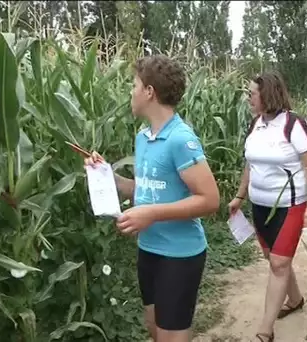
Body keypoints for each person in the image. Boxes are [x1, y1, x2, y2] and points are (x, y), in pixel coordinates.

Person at [84, 55, 220, 342]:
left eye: (134, 85)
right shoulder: (143, 137)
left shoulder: (180, 139)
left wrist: (151, 214)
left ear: (149, 92)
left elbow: (210, 200)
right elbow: (144, 189)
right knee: (155, 329)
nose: (130, 93)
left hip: (180, 254)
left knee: (172, 336)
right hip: (150, 249)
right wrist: (105, 174)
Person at [228, 71, 307, 342]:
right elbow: (250, 163)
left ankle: (264, 331)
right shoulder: (255, 124)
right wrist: (240, 196)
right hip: (259, 205)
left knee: (279, 263)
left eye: (251, 94)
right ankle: (295, 299)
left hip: (290, 205)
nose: (248, 99)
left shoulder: (294, 124)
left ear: (267, 94)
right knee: (275, 260)